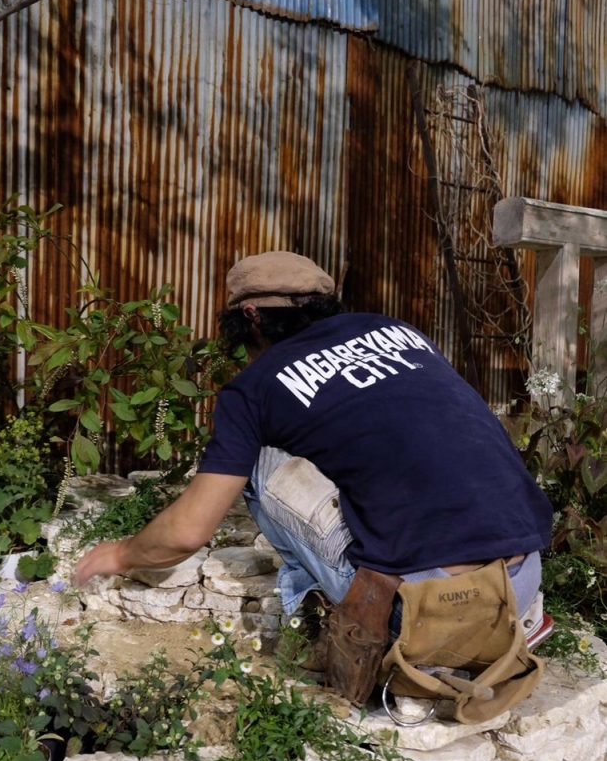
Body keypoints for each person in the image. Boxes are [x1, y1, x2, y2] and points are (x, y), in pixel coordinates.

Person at [74, 251, 553, 704]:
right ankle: (509, 620)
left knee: (261, 461)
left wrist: (120, 553)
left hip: (422, 610)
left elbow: (189, 532)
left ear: (252, 318)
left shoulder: (256, 387)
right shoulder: (399, 332)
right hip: (522, 580)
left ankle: (332, 617)